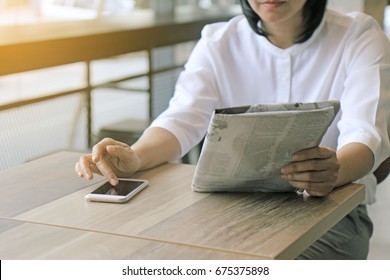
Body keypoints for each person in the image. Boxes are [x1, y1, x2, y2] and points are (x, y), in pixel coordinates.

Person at [75, 0, 390, 259]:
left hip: (329, 215)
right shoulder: (217, 41)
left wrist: (334, 170)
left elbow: (366, 135)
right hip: (226, 211)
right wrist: (136, 157)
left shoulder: (357, 34)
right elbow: (182, 118)